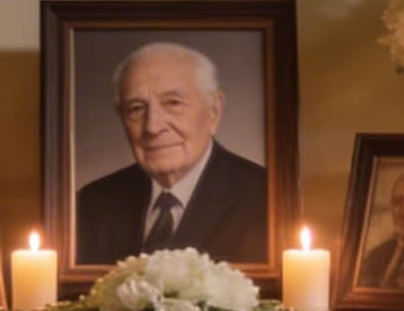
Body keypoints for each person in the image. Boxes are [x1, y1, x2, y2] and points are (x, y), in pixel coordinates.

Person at [73, 41, 269, 267]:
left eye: (173, 103)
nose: (152, 127)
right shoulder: (91, 205)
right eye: (136, 108)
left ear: (213, 111)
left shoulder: (267, 199)